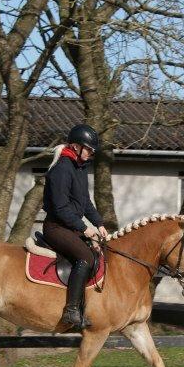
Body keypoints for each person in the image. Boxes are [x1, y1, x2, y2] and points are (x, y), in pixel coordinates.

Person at [41, 124, 109, 330]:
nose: (90, 153)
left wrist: (99, 223)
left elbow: (85, 203)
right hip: (56, 227)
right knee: (86, 257)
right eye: (88, 149)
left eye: (92, 151)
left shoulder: (79, 168)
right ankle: (71, 310)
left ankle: (84, 306)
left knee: (98, 252)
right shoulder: (62, 169)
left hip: (70, 227)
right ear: (75, 146)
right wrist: (84, 228)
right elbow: (60, 208)